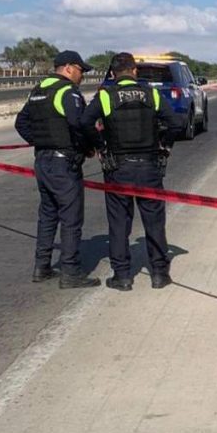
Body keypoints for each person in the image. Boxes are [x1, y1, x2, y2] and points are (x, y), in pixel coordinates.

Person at [80, 52, 183, 291]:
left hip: (118, 167)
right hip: (149, 166)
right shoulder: (152, 94)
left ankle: (123, 276)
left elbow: (84, 122)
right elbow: (176, 123)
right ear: (135, 71)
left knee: (118, 223)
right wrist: (164, 146)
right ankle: (159, 274)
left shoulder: (105, 96)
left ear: (113, 74)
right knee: (154, 221)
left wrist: (100, 145)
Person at [15, 50, 100, 289]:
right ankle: (70, 272)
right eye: (81, 70)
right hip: (64, 163)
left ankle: (41, 267)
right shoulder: (67, 91)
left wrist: (41, 142)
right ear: (68, 68)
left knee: (48, 215)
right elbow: (79, 124)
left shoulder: (38, 90)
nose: (82, 75)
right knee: (71, 218)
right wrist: (88, 148)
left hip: (43, 161)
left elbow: (20, 123)